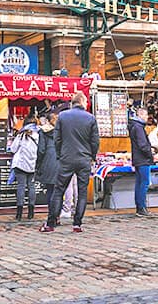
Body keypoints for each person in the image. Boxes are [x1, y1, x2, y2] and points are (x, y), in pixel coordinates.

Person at [40, 92, 100, 233]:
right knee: (82, 191)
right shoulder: (90, 118)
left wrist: (60, 154)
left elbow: (57, 138)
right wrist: (92, 155)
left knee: (59, 190)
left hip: (66, 158)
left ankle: (51, 223)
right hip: (84, 158)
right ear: (83, 102)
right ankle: (77, 223)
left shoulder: (63, 116)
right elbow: (95, 141)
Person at [10, 114, 39, 221]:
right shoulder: (39, 136)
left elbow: (13, 149)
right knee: (31, 186)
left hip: (21, 165)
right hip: (33, 165)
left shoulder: (21, 135)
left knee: (21, 186)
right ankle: (31, 212)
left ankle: (19, 213)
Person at [128, 106, 154, 217]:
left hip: (138, 158)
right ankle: (141, 207)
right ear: (141, 115)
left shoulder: (134, 126)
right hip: (143, 159)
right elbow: (143, 145)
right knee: (144, 183)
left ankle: (139, 206)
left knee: (139, 183)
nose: (147, 117)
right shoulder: (138, 128)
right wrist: (150, 154)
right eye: (146, 115)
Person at [35, 113, 60, 222]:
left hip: (48, 161)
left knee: (50, 190)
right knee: (59, 191)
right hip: (61, 162)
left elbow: (41, 150)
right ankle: (57, 216)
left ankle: (52, 216)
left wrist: (38, 164)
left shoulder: (43, 132)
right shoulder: (62, 131)